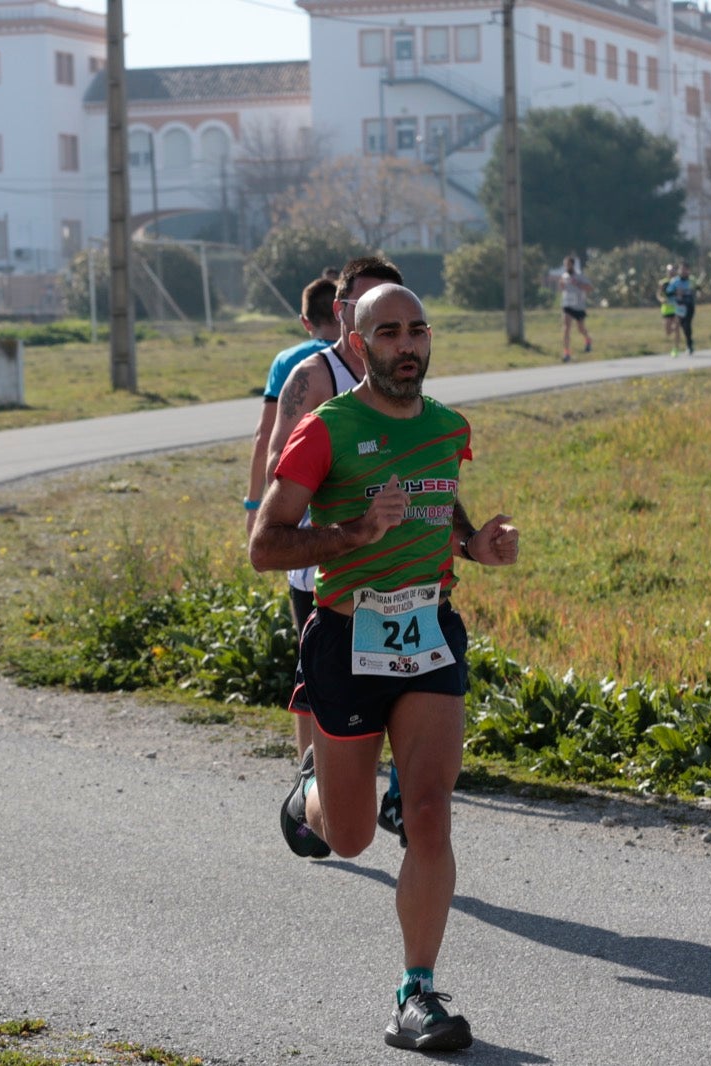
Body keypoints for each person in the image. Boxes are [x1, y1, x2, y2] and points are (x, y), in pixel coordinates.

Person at [250, 282, 520, 1053]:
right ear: (358, 341)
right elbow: (265, 546)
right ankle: (310, 796)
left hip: (429, 630)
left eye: (419, 331)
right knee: (352, 837)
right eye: (390, 332)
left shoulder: (446, 427)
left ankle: (418, 992)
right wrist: (354, 533)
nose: (408, 345)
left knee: (429, 810)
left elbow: (441, 502)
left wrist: (475, 546)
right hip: (346, 637)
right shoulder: (324, 430)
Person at [265, 255, 409, 842]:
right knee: (324, 691)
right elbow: (282, 464)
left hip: (399, 567)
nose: (386, 321)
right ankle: (315, 785)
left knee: (409, 674)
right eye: (368, 307)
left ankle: (399, 793)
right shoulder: (316, 376)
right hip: (327, 570)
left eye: (398, 312)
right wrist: (348, 497)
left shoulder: (404, 372)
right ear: (343, 313)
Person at [244, 276, 341, 759]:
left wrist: (253, 507)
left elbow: (267, 440)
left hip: (304, 538)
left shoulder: (290, 362)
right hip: (352, 537)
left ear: (307, 320)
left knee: (310, 655)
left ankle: (309, 764)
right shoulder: (371, 360)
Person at [557, 254, 594, 362]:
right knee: (566, 328)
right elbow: (562, 289)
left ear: (572, 265)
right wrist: (561, 285)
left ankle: (588, 340)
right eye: (565, 265)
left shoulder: (579, 275)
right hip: (567, 305)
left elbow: (590, 288)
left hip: (579, 306)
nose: (566, 267)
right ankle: (567, 354)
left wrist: (577, 283)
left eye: (568, 264)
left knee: (580, 328)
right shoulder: (564, 276)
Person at [665, 262, 696, 355]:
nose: (683, 271)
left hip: (690, 305)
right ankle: (688, 343)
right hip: (680, 306)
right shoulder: (675, 281)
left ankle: (689, 345)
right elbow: (668, 293)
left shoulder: (692, 280)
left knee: (688, 324)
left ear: (688, 270)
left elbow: (697, 289)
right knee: (683, 325)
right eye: (681, 269)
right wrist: (676, 293)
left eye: (685, 269)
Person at [658, 263, 680, 357]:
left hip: (677, 308)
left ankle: (675, 349)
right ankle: (677, 328)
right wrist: (661, 299)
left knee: (677, 328)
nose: (671, 273)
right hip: (666, 309)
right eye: (669, 271)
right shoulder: (663, 282)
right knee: (668, 331)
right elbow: (659, 294)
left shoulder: (678, 282)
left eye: (672, 271)